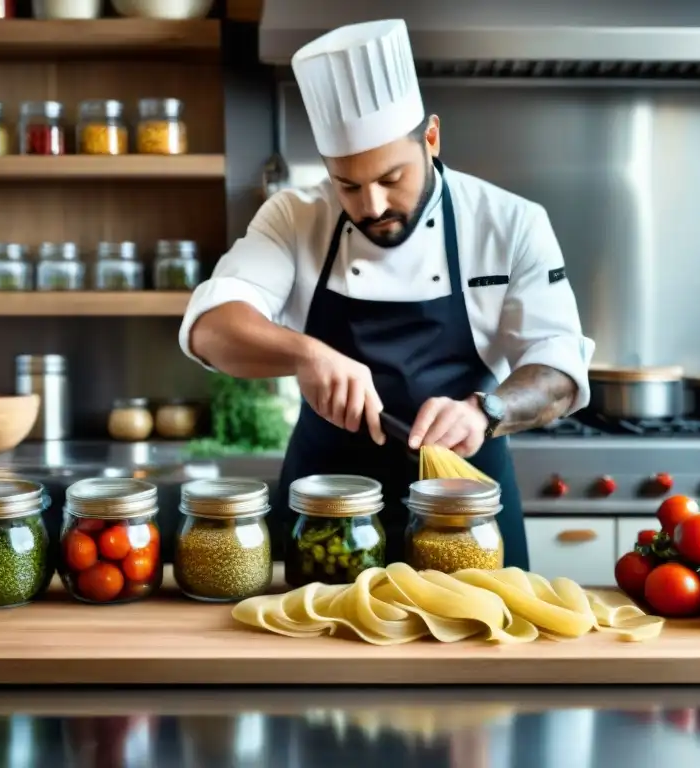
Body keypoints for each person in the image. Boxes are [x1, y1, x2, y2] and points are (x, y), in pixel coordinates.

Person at [179, 19, 595, 566]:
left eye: (391, 178)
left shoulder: (510, 222)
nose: (371, 205)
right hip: (326, 508)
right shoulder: (294, 216)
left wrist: (487, 410)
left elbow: (559, 370)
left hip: (462, 510)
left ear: (431, 138)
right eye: (347, 185)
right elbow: (211, 329)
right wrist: (306, 353)